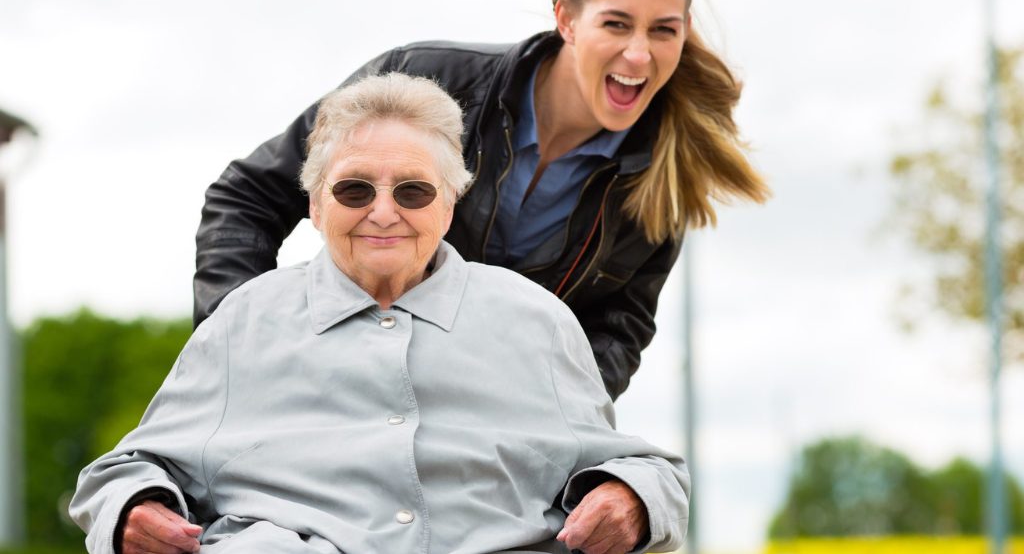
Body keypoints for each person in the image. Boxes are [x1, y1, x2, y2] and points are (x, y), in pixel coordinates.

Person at [71, 73, 690, 554]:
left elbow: (643, 469)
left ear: (450, 205)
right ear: (315, 205)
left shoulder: (536, 320)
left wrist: (631, 499)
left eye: (414, 191)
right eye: (354, 189)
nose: (384, 212)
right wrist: (134, 508)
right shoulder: (244, 321)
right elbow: (125, 471)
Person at [194, 0, 770, 401]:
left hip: (481, 432)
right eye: (615, 24)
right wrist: (241, 353)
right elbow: (246, 198)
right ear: (566, 19)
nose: (638, 53)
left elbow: (617, 331)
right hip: (343, 387)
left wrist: (554, 429)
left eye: (662, 30)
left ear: (684, 32)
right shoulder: (425, 78)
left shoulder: (664, 178)